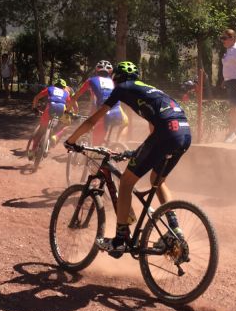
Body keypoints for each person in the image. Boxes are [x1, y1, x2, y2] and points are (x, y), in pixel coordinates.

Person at [65, 61, 191, 258]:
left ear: (116, 78)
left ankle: (120, 240)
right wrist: (140, 151)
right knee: (158, 180)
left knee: (125, 182)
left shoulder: (122, 88)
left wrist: (72, 140)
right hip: (183, 132)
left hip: (166, 133)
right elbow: (153, 126)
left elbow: (92, 120)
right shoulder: (149, 89)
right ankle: (176, 230)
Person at [67, 60, 128, 145]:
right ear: (110, 72)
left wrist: (67, 110)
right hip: (117, 111)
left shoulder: (91, 80)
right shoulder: (114, 82)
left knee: (96, 144)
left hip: (102, 112)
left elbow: (75, 97)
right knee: (125, 122)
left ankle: (93, 152)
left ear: (96, 70)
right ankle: (118, 144)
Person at [30, 78, 71, 160]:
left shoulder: (50, 88)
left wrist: (34, 108)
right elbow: (71, 104)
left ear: (55, 85)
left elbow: (36, 97)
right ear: (63, 87)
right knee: (66, 124)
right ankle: (56, 136)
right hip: (62, 108)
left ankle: (32, 151)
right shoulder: (66, 92)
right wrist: (69, 112)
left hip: (50, 107)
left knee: (41, 130)